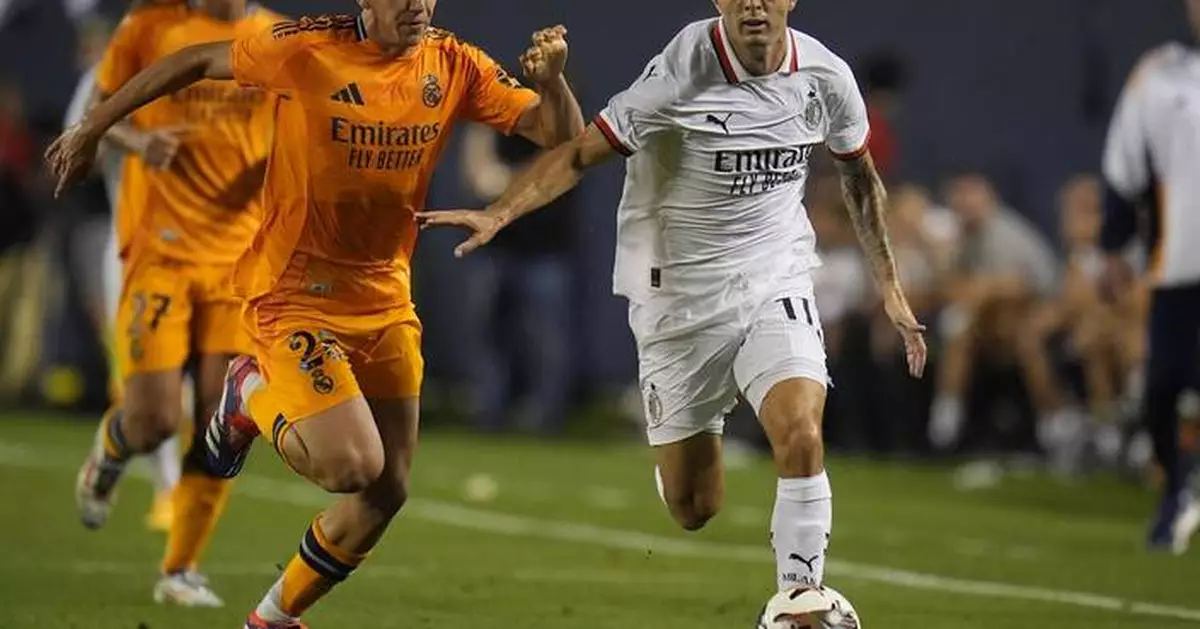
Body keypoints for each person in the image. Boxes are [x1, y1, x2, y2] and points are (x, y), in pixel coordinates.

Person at [46, 0, 584, 625]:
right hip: (294, 294)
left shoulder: (453, 61)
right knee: (349, 464)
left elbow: (561, 134)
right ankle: (247, 396)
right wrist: (92, 128)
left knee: (386, 492)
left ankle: (270, 618)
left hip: (384, 298)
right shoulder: (303, 49)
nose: (417, 5)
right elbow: (194, 59)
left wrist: (552, 83)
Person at [419, 0, 926, 607]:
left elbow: (859, 176)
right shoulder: (683, 69)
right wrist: (500, 211)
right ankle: (683, 455)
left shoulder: (825, 75)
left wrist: (890, 288)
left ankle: (799, 597)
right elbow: (582, 152)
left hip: (774, 277)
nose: (755, 5)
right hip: (679, 298)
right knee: (695, 507)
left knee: (800, 433)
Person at [69, 0, 283, 607]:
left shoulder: (272, 35)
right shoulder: (148, 28)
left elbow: (297, 123)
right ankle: (112, 450)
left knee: (224, 423)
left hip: (238, 258)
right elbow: (94, 116)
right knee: (155, 419)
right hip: (159, 254)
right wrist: (138, 142)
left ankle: (180, 569)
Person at [62, 13, 182, 534]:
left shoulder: (226, 57)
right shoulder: (118, 65)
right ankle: (166, 489)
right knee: (149, 394)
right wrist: (137, 142)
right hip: (139, 252)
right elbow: (82, 131)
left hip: (221, 254)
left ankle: (158, 473)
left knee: (206, 387)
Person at [1100, 0, 1200, 553]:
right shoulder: (1159, 77)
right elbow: (1124, 168)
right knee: (1162, 387)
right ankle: (1175, 492)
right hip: (1181, 264)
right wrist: (1114, 247)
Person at [928, 171, 1077, 462]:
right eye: (959, 197)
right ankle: (946, 418)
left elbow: (1021, 288)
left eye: (971, 196)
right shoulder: (964, 238)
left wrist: (977, 294)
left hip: (1048, 310)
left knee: (1024, 338)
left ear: (988, 199)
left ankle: (1055, 421)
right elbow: (949, 287)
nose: (965, 203)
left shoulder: (1002, 233)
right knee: (963, 335)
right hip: (998, 320)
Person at [458, 122, 578, 434]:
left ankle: (547, 418)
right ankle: (489, 413)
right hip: (495, 248)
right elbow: (484, 180)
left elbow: (560, 166)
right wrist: (528, 180)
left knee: (548, 339)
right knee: (487, 335)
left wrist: (514, 179)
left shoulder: (563, 119)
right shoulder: (493, 117)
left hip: (546, 248)